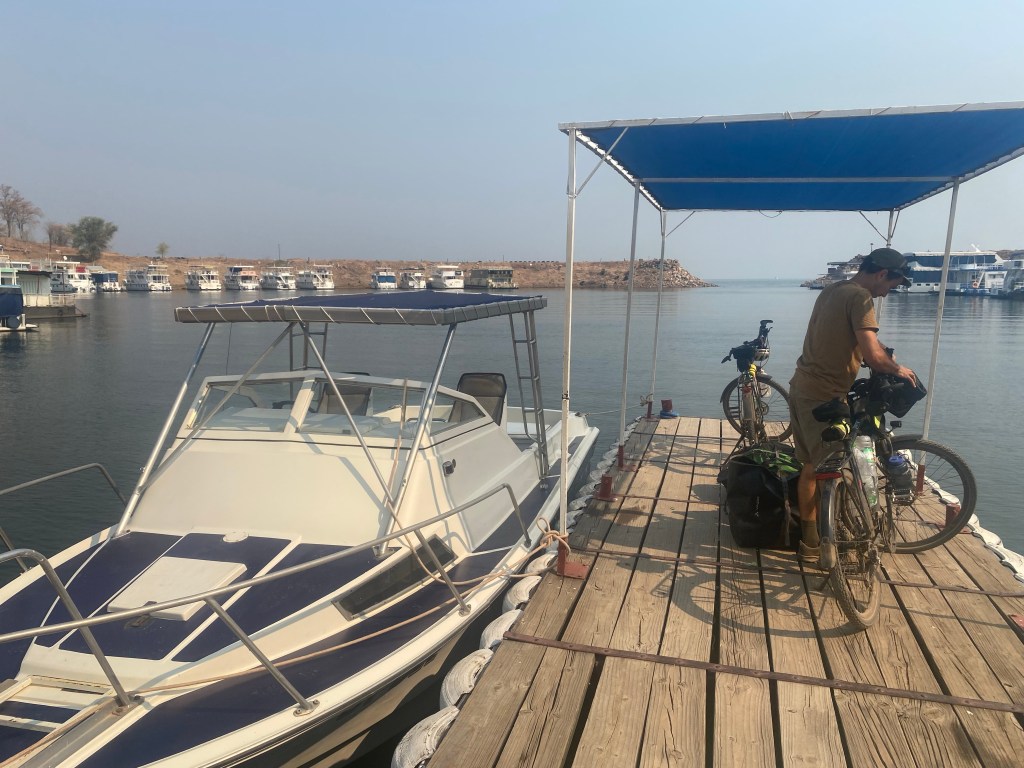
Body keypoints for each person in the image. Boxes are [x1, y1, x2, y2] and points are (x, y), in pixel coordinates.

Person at [789, 247, 917, 564]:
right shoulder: (861, 298)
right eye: (893, 284)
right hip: (825, 395)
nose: (889, 292)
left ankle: (810, 543)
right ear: (882, 274)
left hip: (802, 386)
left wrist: (880, 351)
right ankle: (828, 546)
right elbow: (873, 357)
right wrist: (897, 368)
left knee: (809, 467)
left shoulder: (834, 290)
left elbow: (855, 340)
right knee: (827, 471)